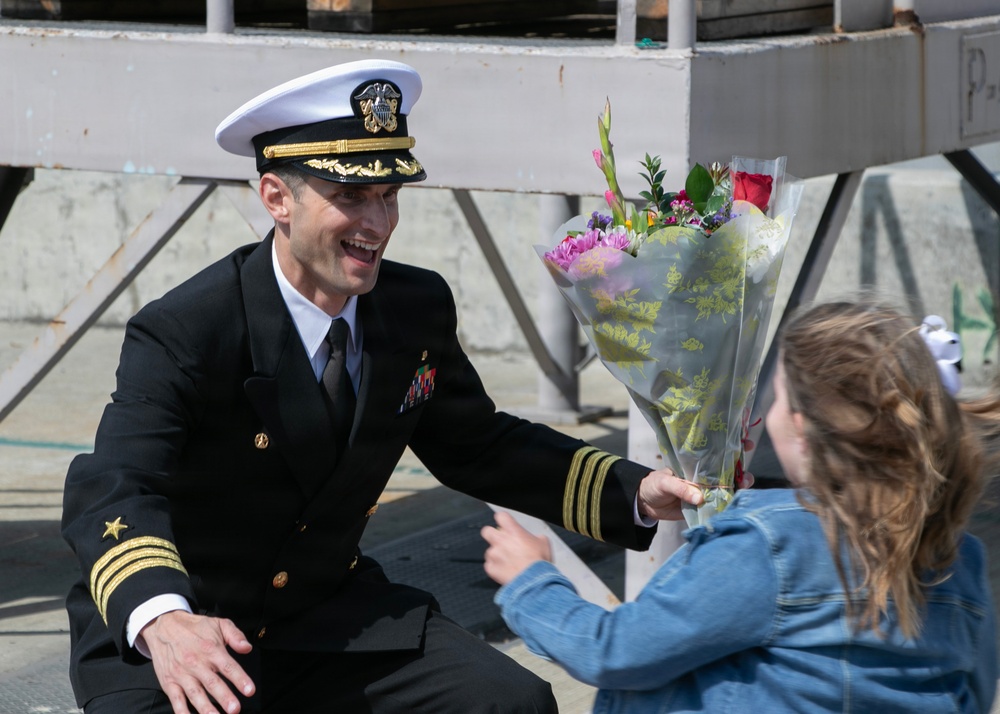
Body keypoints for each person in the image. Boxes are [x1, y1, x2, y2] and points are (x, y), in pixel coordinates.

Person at [60, 59, 706, 714]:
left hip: (325, 617)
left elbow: (477, 444)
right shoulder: (189, 329)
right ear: (277, 199)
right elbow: (112, 485)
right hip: (190, 625)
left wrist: (632, 491)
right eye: (350, 197)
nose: (377, 221)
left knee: (507, 702)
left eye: (389, 195)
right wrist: (164, 620)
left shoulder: (413, 308)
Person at [482, 300, 999, 713]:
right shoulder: (962, 557)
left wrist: (532, 581)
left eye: (775, 398)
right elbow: (973, 690)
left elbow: (614, 651)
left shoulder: (768, 548)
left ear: (799, 426)